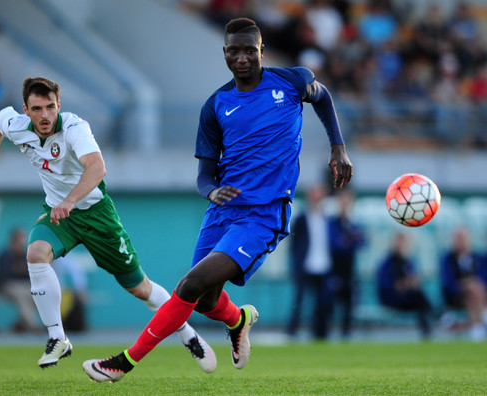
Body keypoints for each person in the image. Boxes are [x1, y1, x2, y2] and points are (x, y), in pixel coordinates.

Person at [83, 17, 352, 382]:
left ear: (261, 51)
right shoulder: (216, 105)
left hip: (263, 214)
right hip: (221, 211)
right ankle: (239, 319)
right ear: (224, 53)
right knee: (206, 300)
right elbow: (204, 174)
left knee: (189, 286)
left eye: (249, 50)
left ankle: (124, 362)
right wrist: (210, 191)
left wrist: (338, 147)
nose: (241, 58)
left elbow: (323, 98)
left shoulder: (293, 81)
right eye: (233, 51)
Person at [0, 76, 215, 371]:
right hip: (58, 214)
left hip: (95, 214)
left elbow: (98, 168)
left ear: (59, 105)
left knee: (140, 288)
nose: (45, 115)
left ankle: (187, 333)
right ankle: (57, 338)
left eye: (50, 107)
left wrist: (69, 201)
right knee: (36, 254)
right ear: (25, 110)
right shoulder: (15, 125)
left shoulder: (75, 128)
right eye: (37, 109)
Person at [285, 183, 334, 340]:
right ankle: (292, 330)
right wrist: (295, 265)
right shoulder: (301, 218)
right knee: (299, 300)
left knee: (322, 301)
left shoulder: (327, 218)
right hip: (305, 265)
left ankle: (319, 332)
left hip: (323, 265)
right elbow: (293, 244)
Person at [377, 232, 433, 338]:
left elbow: (413, 281)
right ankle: (436, 317)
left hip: (406, 298)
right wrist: (405, 284)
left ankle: (427, 330)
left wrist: (408, 283)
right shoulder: (387, 263)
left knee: (419, 296)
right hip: (391, 299)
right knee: (418, 296)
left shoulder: (408, 262)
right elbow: (391, 287)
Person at [328, 188, 365, 339]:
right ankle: (327, 334)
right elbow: (336, 244)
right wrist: (351, 239)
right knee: (330, 304)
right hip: (334, 270)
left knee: (349, 305)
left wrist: (348, 240)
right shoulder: (332, 222)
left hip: (349, 271)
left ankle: (346, 334)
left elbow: (362, 242)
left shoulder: (353, 223)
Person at [440, 225, 487, 341]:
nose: (461, 241)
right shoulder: (448, 259)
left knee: (474, 291)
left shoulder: (478, 258)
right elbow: (448, 282)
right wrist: (465, 284)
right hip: (457, 296)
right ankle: (481, 321)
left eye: (463, 238)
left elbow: (483, 278)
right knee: (472, 291)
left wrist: (473, 284)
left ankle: (477, 326)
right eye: (458, 238)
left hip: (478, 293)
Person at [0, 228, 41, 333]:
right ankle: (33, 326)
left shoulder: (25, 255)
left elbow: (30, 274)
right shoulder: (4, 255)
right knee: (22, 294)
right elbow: (3, 275)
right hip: (7, 286)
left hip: (23, 285)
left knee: (38, 294)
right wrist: (16, 270)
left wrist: (21, 270)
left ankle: (19, 324)